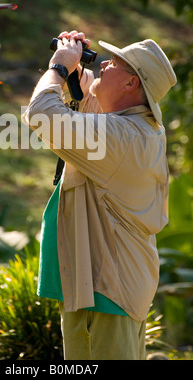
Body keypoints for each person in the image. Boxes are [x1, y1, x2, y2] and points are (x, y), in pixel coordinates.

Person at [22, 30, 177, 360]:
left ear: (131, 84)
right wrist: (81, 82)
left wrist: (60, 68)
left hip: (103, 293)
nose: (104, 63)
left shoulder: (121, 138)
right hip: (115, 291)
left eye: (115, 62)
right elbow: (98, 122)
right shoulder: (141, 128)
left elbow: (41, 114)